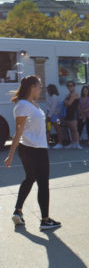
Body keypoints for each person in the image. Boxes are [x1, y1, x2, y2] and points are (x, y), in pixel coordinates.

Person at [4, 76, 61, 230]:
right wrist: (10, 155)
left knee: (30, 179)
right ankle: (45, 220)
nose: (41, 88)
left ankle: (18, 211)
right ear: (31, 87)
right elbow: (18, 131)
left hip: (34, 148)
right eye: (39, 86)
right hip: (34, 149)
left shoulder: (32, 104)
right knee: (43, 184)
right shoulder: (22, 105)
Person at [63, 81, 81, 149]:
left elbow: (69, 103)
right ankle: (73, 143)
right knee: (70, 128)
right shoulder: (68, 95)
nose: (69, 87)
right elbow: (65, 103)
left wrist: (67, 101)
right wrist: (67, 102)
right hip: (68, 112)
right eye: (68, 85)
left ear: (74, 86)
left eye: (71, 85)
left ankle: (77, 143)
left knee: (74, 129)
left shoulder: (75, 94)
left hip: (74, 112)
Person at [46, 84, 64, 149]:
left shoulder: (54, 97)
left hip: (56, 116)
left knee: (58, 129)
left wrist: (49, 116)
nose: (47, 90)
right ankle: (47, 144)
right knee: (48, 129)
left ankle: (60, 143)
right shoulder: (49, 96)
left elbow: (53, 108)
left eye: (48, 89)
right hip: (50, 115)